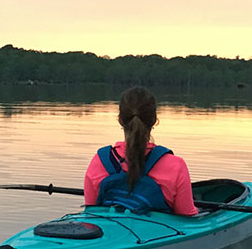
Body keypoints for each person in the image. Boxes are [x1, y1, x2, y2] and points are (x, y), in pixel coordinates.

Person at [83, 86, 198, 216]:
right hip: (155, 234)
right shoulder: (175, 165)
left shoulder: (100, 160)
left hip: (111, 233)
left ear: (120, 120)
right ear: (154, 120)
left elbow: (91, 213)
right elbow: (187, 215)